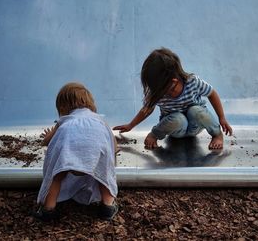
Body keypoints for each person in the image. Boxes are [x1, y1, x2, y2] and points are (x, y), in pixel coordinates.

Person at [114, 48, 233, 150]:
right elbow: (147, 109)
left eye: (163, 88)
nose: (160, 92)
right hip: (176, 130)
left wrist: (221, 118)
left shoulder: (192, 82)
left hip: (195, 126)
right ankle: (155, 133)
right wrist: (131, 125)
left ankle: (217, 135)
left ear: (174, 81)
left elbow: (212, 93)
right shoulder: (158, 92)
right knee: (178, 119)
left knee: (196, 111)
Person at [35, 82, 118, 221]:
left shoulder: (65, 120)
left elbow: (47, 141)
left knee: (57, 176)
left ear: (62, 107)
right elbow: (112, 143)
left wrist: (46, 137)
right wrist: (114, 152)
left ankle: (48, 209)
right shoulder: (99, 120)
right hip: (95, 154)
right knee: (104, 173)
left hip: (68, 154)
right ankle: (107, 206)